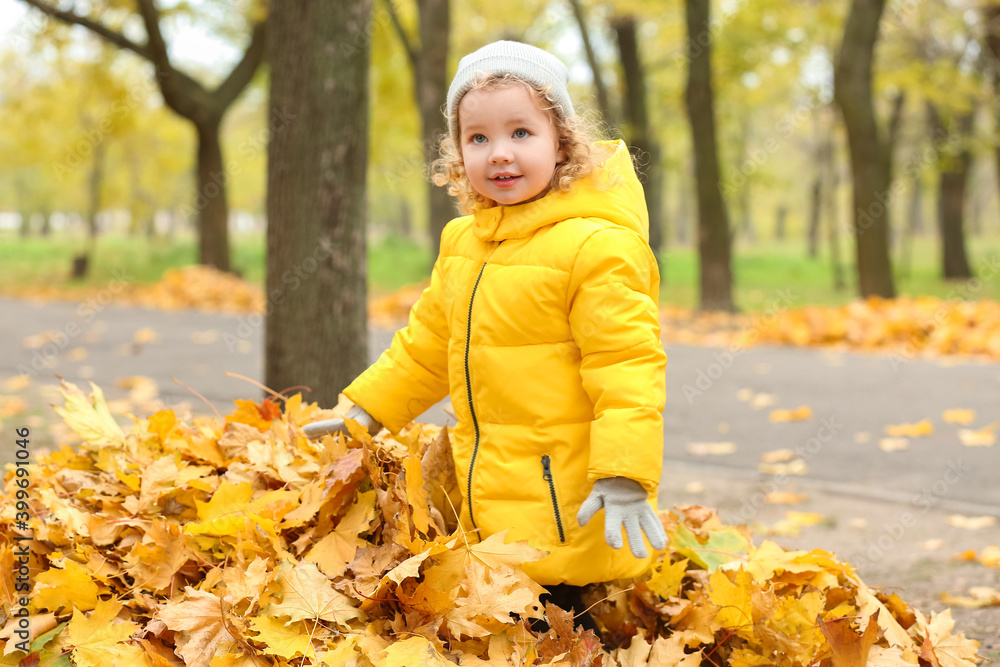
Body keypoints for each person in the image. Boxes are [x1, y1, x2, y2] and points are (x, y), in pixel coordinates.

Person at [304, 40, 667, 637]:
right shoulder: (464, 243)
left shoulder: (595, 247)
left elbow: (627, 368)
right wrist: (363, 412)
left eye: (521, 133)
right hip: (488, 490)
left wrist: (624, 474)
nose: (499, 154)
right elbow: (425, 346)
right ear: (458, 151)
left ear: (563, 142)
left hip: (568, 497)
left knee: (562, 627)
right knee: (500, 625)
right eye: (478, 138)